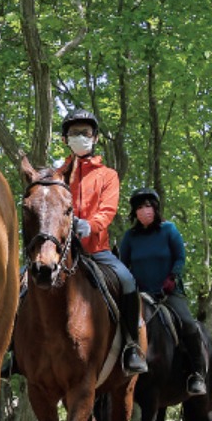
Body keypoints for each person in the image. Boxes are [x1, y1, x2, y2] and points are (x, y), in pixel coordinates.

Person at [59, 109, 148, 375]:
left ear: (95, 137)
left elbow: (108, 211)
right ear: (65, 139)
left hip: (96, 250)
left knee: (128, 282)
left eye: (85, 133)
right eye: (74, 133)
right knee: (23, 281)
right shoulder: (57, 174)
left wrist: (90, 225)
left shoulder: (108, 175)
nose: (80, 137)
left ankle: (132, 345)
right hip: (61, 252)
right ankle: (13, 350)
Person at [117, 188, 207, 396]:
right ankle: (127, 361)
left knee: (188, 324)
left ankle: (197, 374)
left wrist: (172, 277)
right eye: (139, 208)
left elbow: (180, 257)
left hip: (168, 293)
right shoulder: (130, 237)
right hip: (140, 295)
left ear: (155, 209)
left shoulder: (169, 230)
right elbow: (123, 265)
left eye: (147, 206)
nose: (143, 211)